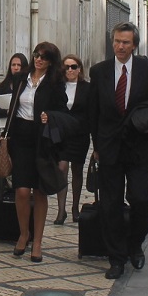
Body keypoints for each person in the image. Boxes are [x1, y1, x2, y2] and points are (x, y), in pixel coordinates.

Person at [86, 22, 148, 279]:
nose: (120, 47)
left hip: (140, 147)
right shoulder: (99, 72)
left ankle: (135, 245)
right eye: (117, 42)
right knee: (110, 204)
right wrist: (96, 146)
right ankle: (117, 258)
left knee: (142, 199)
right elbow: (93, 112)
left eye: (125, 43)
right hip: (110, 149)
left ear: (134, 45)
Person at [4, 42, 67, 263]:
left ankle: (38, 241)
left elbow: (63, 110)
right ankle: (24, 233)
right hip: (20, 136)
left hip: (42, 139)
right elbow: (13, 107)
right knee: (21, 190)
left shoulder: (55, 82)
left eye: (44, 57)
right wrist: (7, 137)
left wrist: (49, 116)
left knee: (39, 191)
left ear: (51, 61)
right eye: (37, 55)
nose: (39, 59)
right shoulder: (22, 78)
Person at [54, 54, 91, 225]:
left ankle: (75, 207)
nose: (70, 70)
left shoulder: (87, 88)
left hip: (80, 135)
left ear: (80, 69)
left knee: (77, 170)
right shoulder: (58, 87)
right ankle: (61, 210)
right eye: (67, 67)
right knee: (62, 168)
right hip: (61, 135)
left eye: (74, 66)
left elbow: (92, 112)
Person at [0, 53, 29, 119]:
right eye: (13, 65)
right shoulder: (4, 85)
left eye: (19, 65)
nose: (16, 68)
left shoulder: (29, 85)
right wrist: (7, 112)